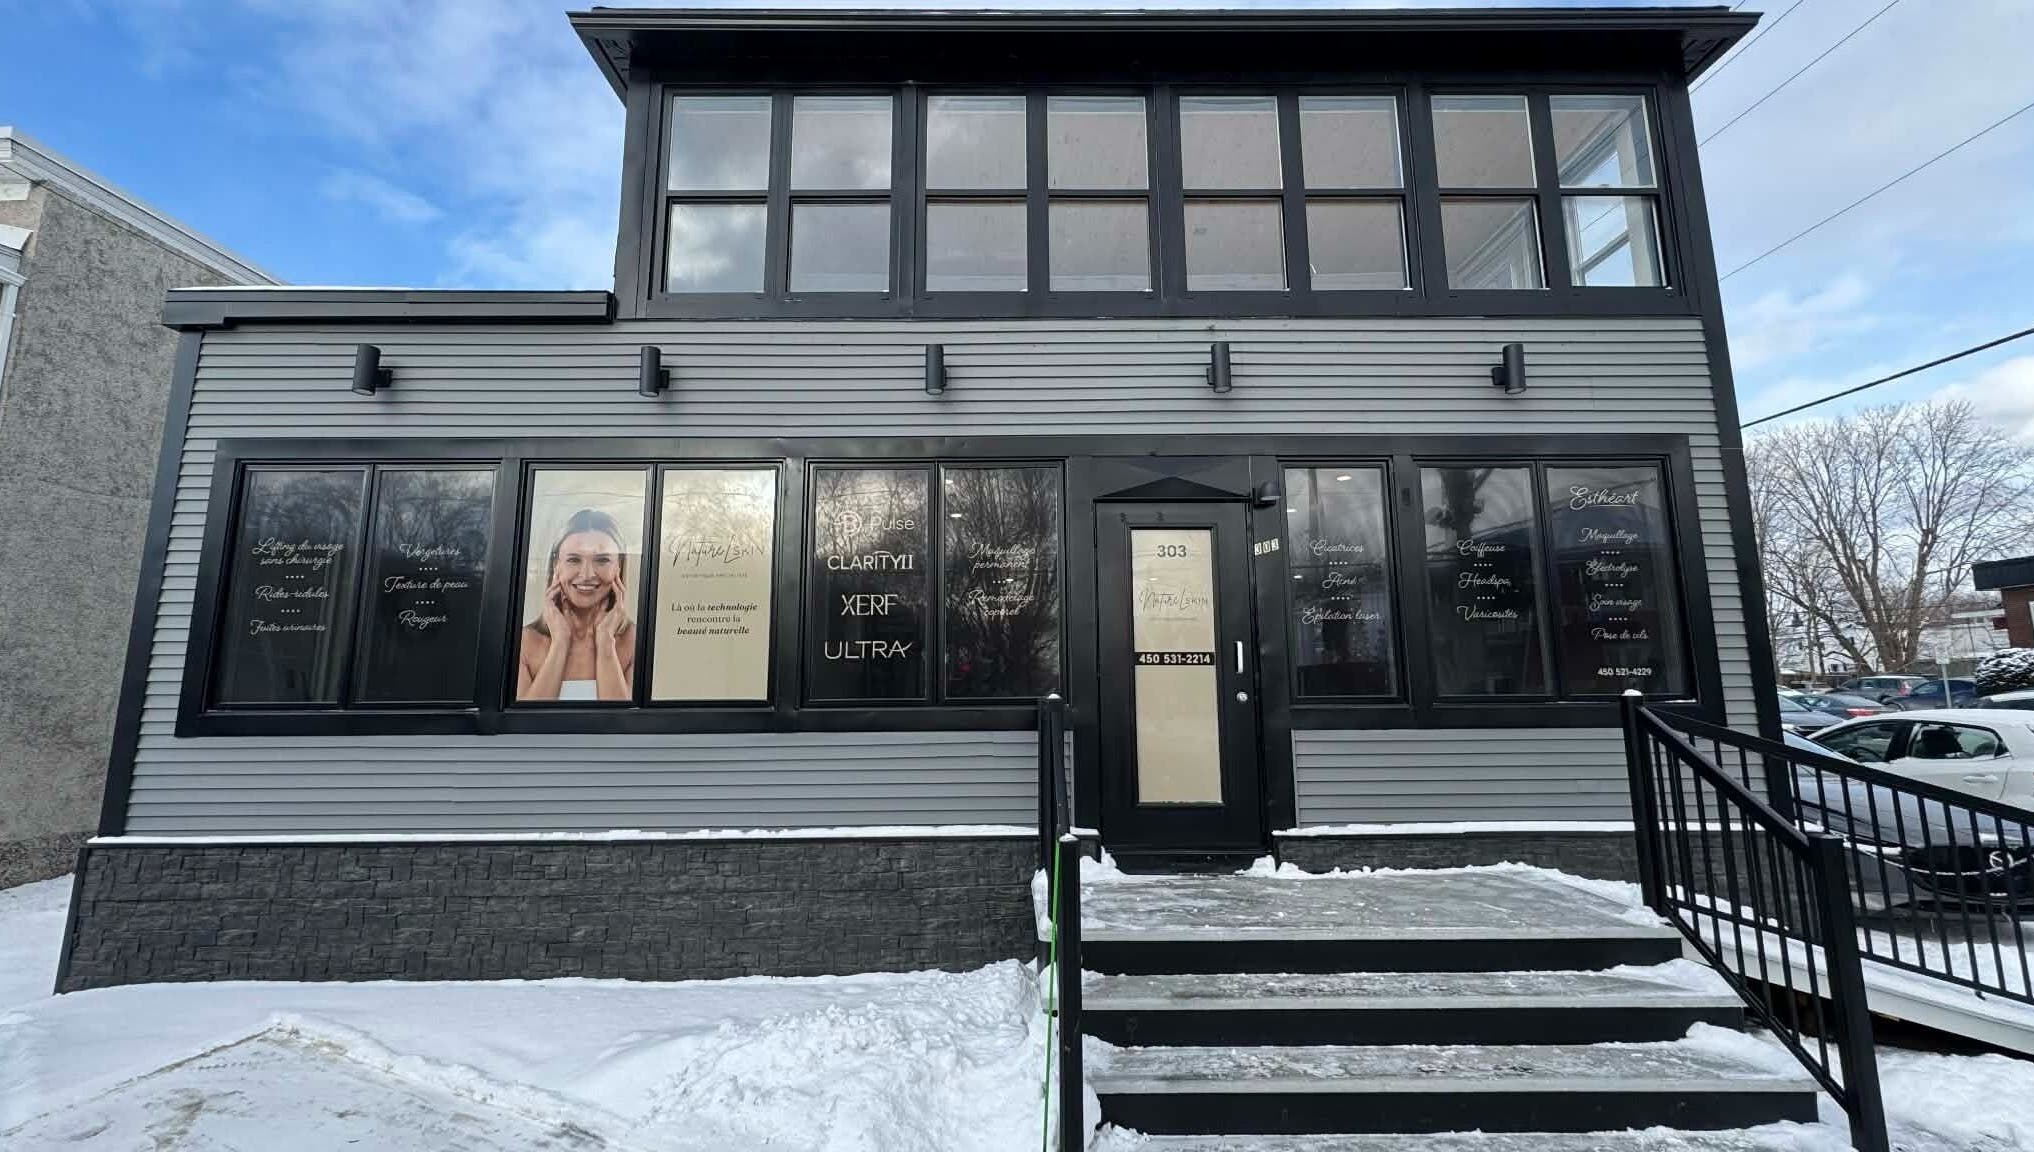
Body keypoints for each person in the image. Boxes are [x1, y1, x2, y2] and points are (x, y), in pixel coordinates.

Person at [517, 508, 635, 701]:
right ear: (557, 565)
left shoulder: (635, 641)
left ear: (618, 567)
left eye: (602, 560)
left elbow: (620, 725)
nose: (587, 574)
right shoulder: (524, 643)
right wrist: (560, 642)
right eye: (573, 560)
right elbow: (526, 726)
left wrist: (605, 643)